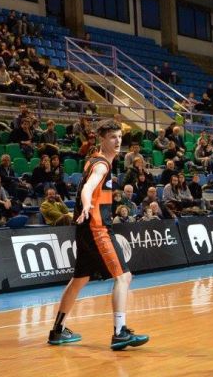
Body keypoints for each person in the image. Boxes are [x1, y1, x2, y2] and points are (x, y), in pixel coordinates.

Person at [47, 120, 149, 350]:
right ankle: (120, 332)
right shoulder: (101, 165)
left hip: (85, 229)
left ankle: (57, 331)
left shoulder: (95, 159)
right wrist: (85, 205)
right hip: (97, 228)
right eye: (113, 137)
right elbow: (87, 187)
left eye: (120, 136)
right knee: (124, 277)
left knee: (79, 279)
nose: (118, 140)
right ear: (101, 139)